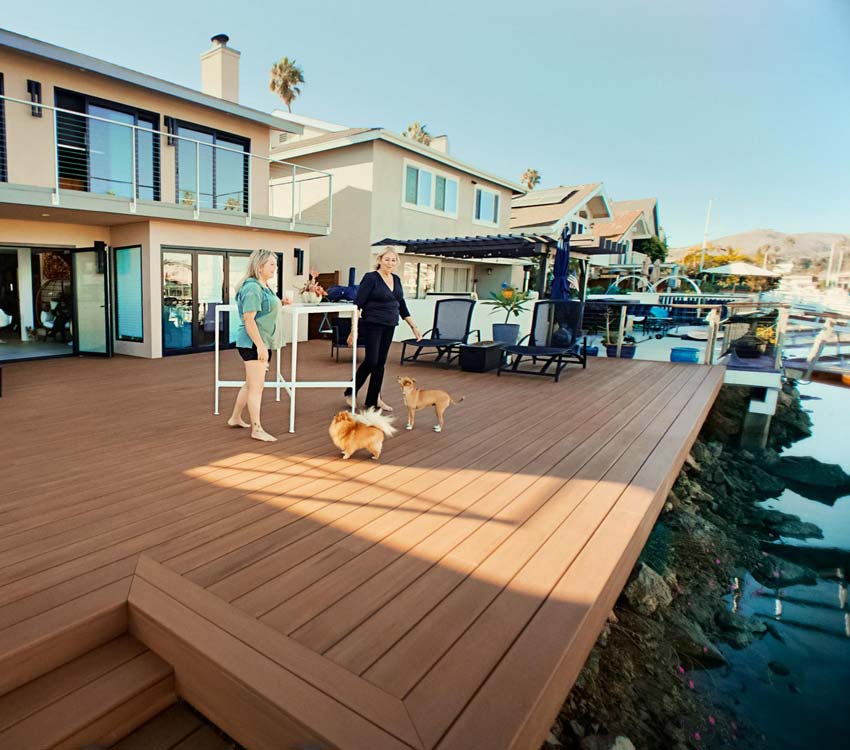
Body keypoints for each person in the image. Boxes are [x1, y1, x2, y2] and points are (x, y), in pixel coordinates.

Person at [344, 249, 422, 411]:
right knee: (372, 360)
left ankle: (373, 399)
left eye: (394, 260)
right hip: (372, 323)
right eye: (387, 259)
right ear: (380, 260)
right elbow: (358, 304)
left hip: (390, 325)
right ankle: (350, 392)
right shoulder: (371, 278)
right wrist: (354, 330)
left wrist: (414, 327)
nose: (390, 263)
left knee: (380, 363)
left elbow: (401, 305)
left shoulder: (397, 280)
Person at [228, 249, 288, 442]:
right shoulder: (252, 287)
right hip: (253, 343)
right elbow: (249, 319)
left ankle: (235, 417)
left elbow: (263, 311)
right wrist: (261, 347)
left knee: (250, 384)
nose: (275, 268)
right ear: (259, 266)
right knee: (257, 387)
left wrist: (281, 303)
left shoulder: (264, 286)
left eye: (275, 264)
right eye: (271, 264)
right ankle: (257, 429)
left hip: (259, 342)